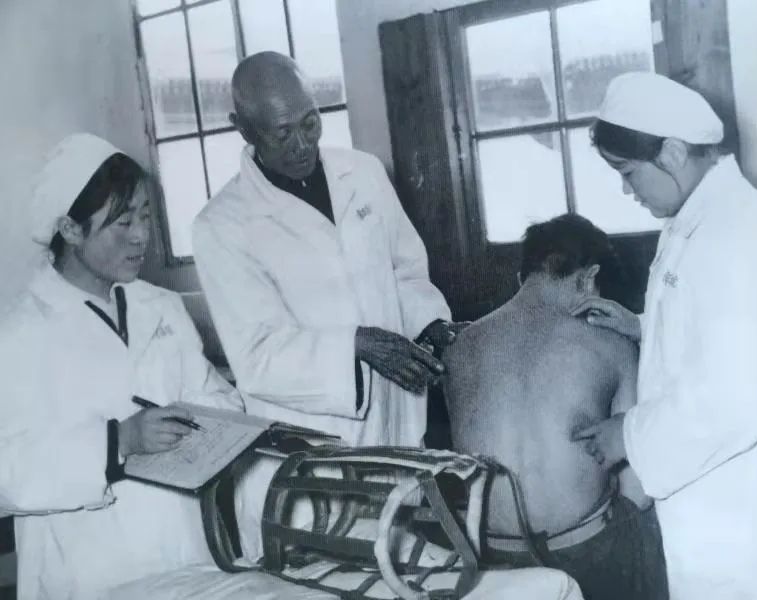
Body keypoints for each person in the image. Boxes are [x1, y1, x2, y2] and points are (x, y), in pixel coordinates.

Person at [571, 73, 757, 599]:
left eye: (628, 172)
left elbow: (735, 397)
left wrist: (628, 435)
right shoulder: (695, 217)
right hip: (712, 491)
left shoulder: (736, 232)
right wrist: (642, 324)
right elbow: (718, 328)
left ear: (672, 153)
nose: (626, 189)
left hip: (742, 504)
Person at [0, 133, 244, 599]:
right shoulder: (19, 335)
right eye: (123, 222)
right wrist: (119, 442)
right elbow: (6, 473)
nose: (142, 236)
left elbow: (212, 395)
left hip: (186, 554)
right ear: (71, 230)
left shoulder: (163, 307)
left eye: (146, 217)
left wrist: (218, 421)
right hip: (88, 572)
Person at [193, 51, 461, 449]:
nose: (303, 145)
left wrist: (429, 324)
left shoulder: (364, 173)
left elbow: (403, 272)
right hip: (312, 440)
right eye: (283, 134)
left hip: (397, 416)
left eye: (310, 123)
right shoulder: (221, 225)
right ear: (244, 129)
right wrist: (356, 343)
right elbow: (257, 356)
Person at [443, 214, 667, 600]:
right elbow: (638, 488)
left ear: (523, 277)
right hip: (583, 551)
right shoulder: (611, 345)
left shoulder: (459, 347)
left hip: (490, 561)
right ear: (589, 279)